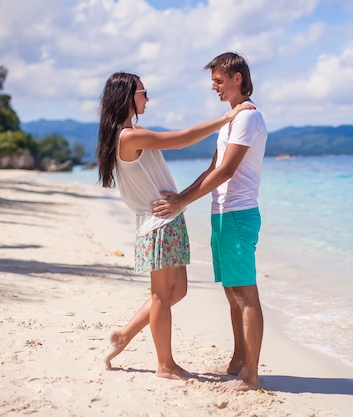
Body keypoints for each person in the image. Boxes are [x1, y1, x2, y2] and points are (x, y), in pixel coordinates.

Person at [97, 72, 254, 380]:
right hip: (158, 222)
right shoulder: (128, 137)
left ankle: (125, 335)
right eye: (143, 92)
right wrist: (229, 116)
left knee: (177, 291)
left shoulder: (132, 132)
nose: (147, 98)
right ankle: (164, 364)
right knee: (160, 296)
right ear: (127, 96)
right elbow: (182, 139)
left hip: (166, 220)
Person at [152, 52, 267, 391]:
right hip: (222, 213)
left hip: (238, 214)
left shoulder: (248, 118)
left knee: (245, 294)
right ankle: (237, 362)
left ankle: (251, 376)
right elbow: (212, 169)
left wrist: (182, 201)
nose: (214, 86)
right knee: (232, 293)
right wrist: (179, 202)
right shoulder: (232, 120)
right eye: (212, 81)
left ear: (237, 78)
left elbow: (228, 171)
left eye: (218, 80)